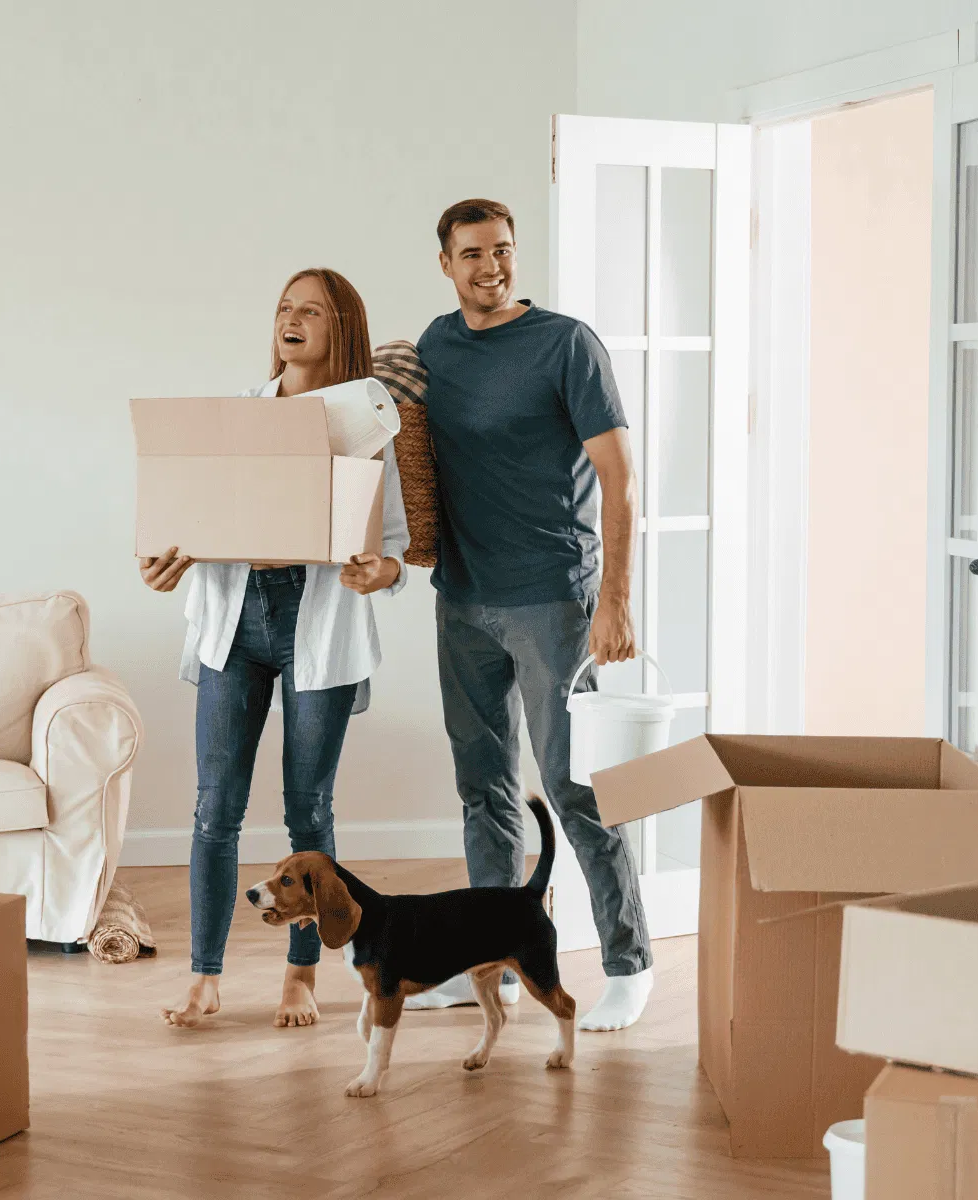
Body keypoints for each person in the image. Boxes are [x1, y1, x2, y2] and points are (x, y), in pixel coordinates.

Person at [406, 199, 653, 1032]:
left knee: (572, 785)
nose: (491, 266)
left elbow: (619, 475)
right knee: (483, 790)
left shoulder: (565, 342)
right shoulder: (435, 347)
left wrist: (613, 599)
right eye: (472, 253)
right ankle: (493, 965)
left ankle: (628, 961)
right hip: (463, 599)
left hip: (553, 596)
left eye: (502, 251)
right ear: (445, 262)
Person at [142, 268, 409, 1031]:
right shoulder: (236, 419)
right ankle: (205, 975)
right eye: (284, 309)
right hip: (237, 625)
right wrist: (166, 564)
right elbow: (187, 522)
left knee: (308, 811)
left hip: (318, 626)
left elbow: (394, 549)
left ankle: (301, 977)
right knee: (213, 808)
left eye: (311, 311)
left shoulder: (367, 427)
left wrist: (373, 572)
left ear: (340, 328)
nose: (291, 320)